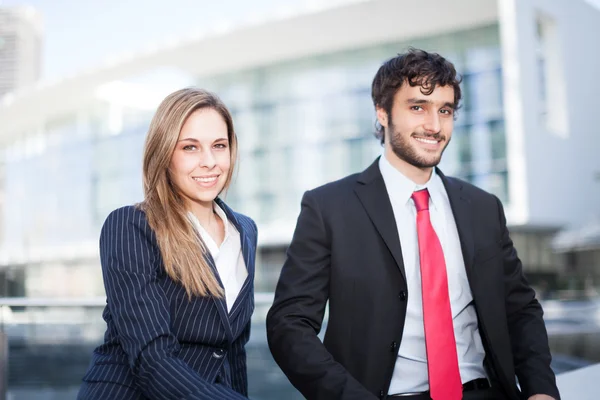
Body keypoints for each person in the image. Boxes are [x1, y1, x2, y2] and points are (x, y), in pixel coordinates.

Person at [266, 49, 560, 400]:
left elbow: (521, 309)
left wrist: (541, 390)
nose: (434, 126)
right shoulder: (328, 208)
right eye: (417, 107)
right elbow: (289, 325)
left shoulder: (483, 208)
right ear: (382, 113)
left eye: (445, 110)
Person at [78, 88, 257, 400]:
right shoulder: (131, 226)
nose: (209, 162)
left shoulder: (245, 231)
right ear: (164, 154)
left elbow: (233, 352)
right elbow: (152, 358)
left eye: (219, 146)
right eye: (190, 147)